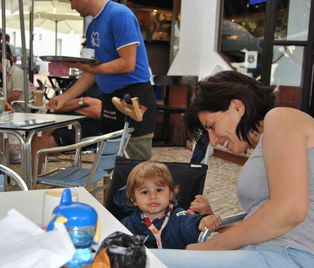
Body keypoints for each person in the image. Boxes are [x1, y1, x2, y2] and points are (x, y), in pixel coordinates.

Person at [149, 70, 314, 268]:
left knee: (141, 261)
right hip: (272, 252)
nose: (214, 140)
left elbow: (289, 211)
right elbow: (267, 225)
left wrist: (210, 247)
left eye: (212, 126)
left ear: (237, 107)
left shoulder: (282, 117)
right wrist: (217, 222)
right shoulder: (269, 142)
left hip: (298, 256)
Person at [47, 0, 156, 161]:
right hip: (109, 98)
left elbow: (128, 63)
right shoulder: (92, 26)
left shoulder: (119, 15)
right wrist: (64, 97)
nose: (72, 6)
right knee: (106, 159)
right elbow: (94, 72)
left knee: (134, 162)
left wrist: (91, 68)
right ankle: (109, 188)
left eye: (71, 1)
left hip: (134, 96)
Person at [121, 160, 221, 249]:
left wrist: (202, 221)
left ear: (171, 194)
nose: (153, 196)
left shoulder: (179, 217)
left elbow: (191, 222)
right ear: (133, 199)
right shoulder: (126, 225)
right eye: (145, 192)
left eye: (159, 190)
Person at [32, 83, 102, 174]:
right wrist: (84, 101)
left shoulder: (106, 85)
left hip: (86, 129)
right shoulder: (78, 83)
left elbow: (97, 111)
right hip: (65, 121)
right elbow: (58, 106)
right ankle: (31, 179)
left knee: (41, 139)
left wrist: (71, 107)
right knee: (39, 131)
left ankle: (32, 177)